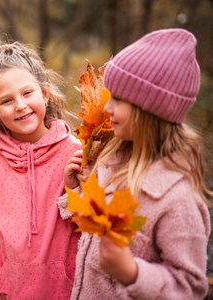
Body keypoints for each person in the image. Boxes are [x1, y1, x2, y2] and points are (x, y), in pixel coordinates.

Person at [64, 28, 211, 299]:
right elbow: (91, 226)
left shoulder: (177, 201)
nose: (107, 108)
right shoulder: (110, 160)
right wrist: (75, 192)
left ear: (150, 111)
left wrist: (132, 273)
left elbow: (191, 288)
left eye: (118, 100)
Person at [0, 41, 82, 299]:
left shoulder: (73, 153)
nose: (20, 105)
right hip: (14, 290)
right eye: (7, 100)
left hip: (67, 289)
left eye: (27, 93)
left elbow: (89, 219)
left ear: (45, 94)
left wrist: (74, 189)